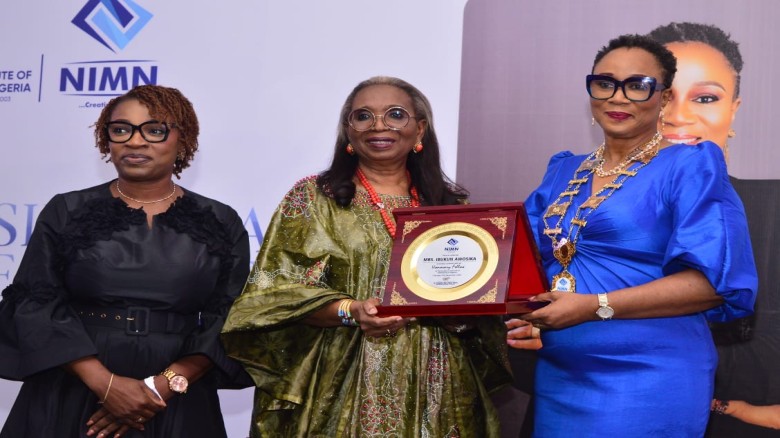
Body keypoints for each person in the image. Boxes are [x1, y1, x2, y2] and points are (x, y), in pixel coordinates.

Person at [221, 76, 512, 437]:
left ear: (420, 129)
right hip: (341, 378)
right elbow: (274, 293)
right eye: (363, 116)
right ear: (348, 130)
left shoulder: (453, 208)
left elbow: (478, 303)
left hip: (438, 381)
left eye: (395, 114)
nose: (378, 125)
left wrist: (460, 316)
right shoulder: (314, 197)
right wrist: (351, 310)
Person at [508, 34, 757, 437]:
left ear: (664, 97)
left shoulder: (689, 166)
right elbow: (527, 264)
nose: (618, 97)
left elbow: (712, 284)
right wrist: (529, 315)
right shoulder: (563, 171)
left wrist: (594, 306)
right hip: (561, 375)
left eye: (637, 85)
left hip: (650, 373)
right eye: (605, 83)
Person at [0, 85, 250, 438]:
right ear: (107, 140)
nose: (135, 141)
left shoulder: (221, 221)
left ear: (182, 139)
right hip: (74, 383)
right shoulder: (67, 210)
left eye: (154, 130)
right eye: (121, 130)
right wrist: (105, 385)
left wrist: (161, 386)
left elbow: (231, 317)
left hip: (176, 393)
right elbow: (34, 302)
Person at [649, 21, 780, 437]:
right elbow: (523, 359)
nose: (678, 115)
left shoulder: (773, 210)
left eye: (705, 97)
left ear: (733, 109)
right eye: (662, 95)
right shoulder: (571, 210)